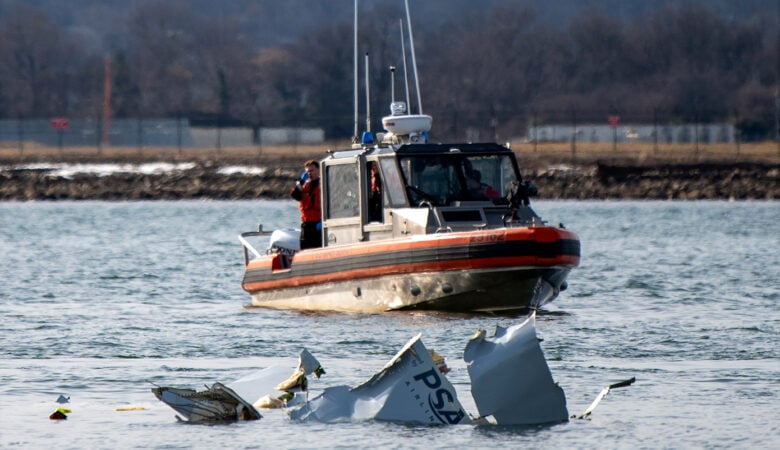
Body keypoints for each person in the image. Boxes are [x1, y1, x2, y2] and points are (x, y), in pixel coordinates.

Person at [290, 160, 322, 249]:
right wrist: (301, 181)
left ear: (319, 170)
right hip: (307, 225)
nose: (309, 173)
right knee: (305, 248)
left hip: (318, 224)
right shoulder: (304, 186)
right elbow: (295, 195)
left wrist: (322, 222)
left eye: (312, 170)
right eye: (307, 171)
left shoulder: (323, 185)